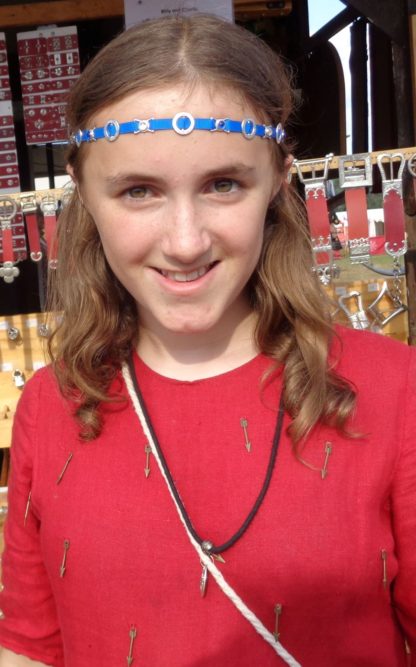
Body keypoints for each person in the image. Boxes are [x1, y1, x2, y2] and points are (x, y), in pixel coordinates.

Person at [0, 13, 414, 667]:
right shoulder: (50, 406)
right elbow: (30, 648)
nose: (186, 241)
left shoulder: (396, 391)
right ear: (84, 193)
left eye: (224, 184)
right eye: (139, 191)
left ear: (277, 178)